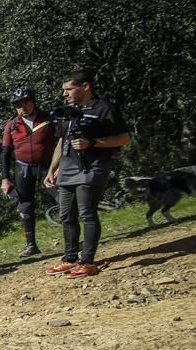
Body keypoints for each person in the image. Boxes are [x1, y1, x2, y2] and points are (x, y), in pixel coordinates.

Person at [43, 70, 131, 278]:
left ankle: (88, 262)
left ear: (85, 86)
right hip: (67, 167)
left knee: (87, 213)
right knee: (66, 215)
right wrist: (52, 168)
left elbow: (124, 138)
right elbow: (61, 141)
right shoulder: (68, 111)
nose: (64, 94)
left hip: (92, 167)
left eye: (69, 89)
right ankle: (69, 258)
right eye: (63, 90)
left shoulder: (104, 108)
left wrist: (93, 143)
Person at [0, 87, 57, 257]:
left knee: (63, 198)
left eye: (25, 103)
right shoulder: (12, 125)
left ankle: (73, 239)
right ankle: (31, 245)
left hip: (48, 166)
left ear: (32, 101)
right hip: (23, 167)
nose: (22, 107)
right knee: (25, 206)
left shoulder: (49, 118)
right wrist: (5, 178)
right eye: (18, 104)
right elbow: (5, 152)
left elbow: (61, 142)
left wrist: (60, 165)